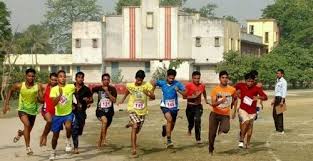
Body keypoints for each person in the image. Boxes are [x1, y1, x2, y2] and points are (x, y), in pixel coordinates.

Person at [3, 68, 44, 155]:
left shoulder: (38, 86)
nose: (31, 78)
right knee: (27, 124)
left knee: (27, 130)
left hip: (33, 111)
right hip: (22, 110)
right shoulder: (19, 85)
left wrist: (40, 99)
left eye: (33, 76)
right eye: (29, 76)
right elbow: (10, 90)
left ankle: (20, 133)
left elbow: (42, 100)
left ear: (34, 77)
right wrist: (6, 104)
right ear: (26, 76)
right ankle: (28, 147)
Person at [118, 70, 155, 157]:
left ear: (143, 79)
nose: (139, 81)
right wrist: (123, 99)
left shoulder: (147, 85)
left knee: (137, 130)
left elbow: (153, 97)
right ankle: (134, 149)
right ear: (135, 78)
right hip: (132, 109)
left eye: (140, 80)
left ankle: (131, 124)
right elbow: (128, 91)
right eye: (138, 79)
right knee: (135, 126)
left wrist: (148, 94)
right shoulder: (130, 85)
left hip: (142, 111)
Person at [151, 69, 186, 148]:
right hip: (164, 106)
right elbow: (153, 82)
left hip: (174, 108)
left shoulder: (178, 84)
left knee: (171, 126)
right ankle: (169, 141)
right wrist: (152, 91)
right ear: (167, 77)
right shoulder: (162, 83)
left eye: (173, 78)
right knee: (169, 120)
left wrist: (179, 90)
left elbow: (185, 95)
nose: (171, 80)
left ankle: (165, 128)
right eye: (170, 78)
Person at [234, 73, 267, 149]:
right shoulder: (240, 85)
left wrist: (258, 97)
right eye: (248, 81)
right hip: (243, 109)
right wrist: (236, 94)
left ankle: (248, 143)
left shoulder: (257, 88)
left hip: (252, 111)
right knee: (246, 122)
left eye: (252, 81)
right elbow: (232, 89)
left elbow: (265, 97)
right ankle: (241, 139)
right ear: (245, 81)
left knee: (250, 128)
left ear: (254, 81)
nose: (250, 83)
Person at [49, 70, 76, 160]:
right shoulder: (53, 89)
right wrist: (60, 95)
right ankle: (53, 151)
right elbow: (53, 103)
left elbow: (79, 89)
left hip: (68, 114)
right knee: (55, 136)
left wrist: (78, 102)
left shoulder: (71, 86)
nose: (63, 78)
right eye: (60, 76)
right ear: (57, 78)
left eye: (64, 76)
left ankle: (68, 141)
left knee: (68, 127)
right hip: (57, 115)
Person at [208, 71, 237, 155]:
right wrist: (220, 101)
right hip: (215, 113)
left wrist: (234, 111)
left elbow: (235, 99)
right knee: (212, 133)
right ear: (219, 78)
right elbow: (213, 104)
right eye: (223, 77)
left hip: (225, 114)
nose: (224, 79)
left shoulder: (232, 89)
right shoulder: (215, 90)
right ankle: (211, 149)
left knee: (226, 129)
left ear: (228, 79)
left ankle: (221, 128)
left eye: (226, 78)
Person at [92, 73, 117, 149]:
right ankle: (104, 140)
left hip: (109, 112)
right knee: (104, 121)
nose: (106, 81)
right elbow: (90, 92)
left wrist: (107, 92)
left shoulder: (112, 89)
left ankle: (100, 141)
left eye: (107, 79)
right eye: (104, 79)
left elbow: (114, 100)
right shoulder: (98, 88)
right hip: (100, 111)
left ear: (109, 80)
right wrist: (90, 100)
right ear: (102, 80)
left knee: (105, 127)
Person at [184, 71, 209, 144]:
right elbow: (184, 96)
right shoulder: (188, 85)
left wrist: (206, 99)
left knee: (197, 120)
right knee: (191, 122)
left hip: (198, 106)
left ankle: (198, 139)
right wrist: (193, 96)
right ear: (192, 78)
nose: (197, 80)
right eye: (195, 78)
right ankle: (189, 129)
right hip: (190, 106)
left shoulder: (202, 85)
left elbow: (204, 91)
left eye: (198, 78)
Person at [72, 72, 93, 154]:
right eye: (78, 77)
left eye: (82, 77)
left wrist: (88, 100)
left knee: (80, 129)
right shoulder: (71, 87)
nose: (80, 79)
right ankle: (75, 147)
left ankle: (79, 130)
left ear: (83, 79)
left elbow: (91, 100)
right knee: (75, 128)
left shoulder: (86, 89)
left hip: (81, 112)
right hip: (72, 111)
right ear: (75, 78)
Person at [40, 72, 58, 147]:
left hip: (55, 110)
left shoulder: (59, 88)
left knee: (51, 126)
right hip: (46, 108)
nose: (53, 81)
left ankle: (44, 135)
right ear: (49, 79)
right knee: (49, 121)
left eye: (55, 80)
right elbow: (37, 86)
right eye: (52, 79)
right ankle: (44, 136)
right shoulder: (45, 86)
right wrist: (40, 95)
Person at [272, 69, 287, 134]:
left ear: (282, 74)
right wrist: (273, 99)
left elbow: (284, 92)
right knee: (274, 114)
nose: (277, 74)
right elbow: (276, 92)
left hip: (281, 99)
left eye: (278, 73)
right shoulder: (278, 81)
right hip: (276, 98)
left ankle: (281, 130)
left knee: (279, 114)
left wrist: (282, 101)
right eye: (277, 73)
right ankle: (277, 128)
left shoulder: (284, 81)